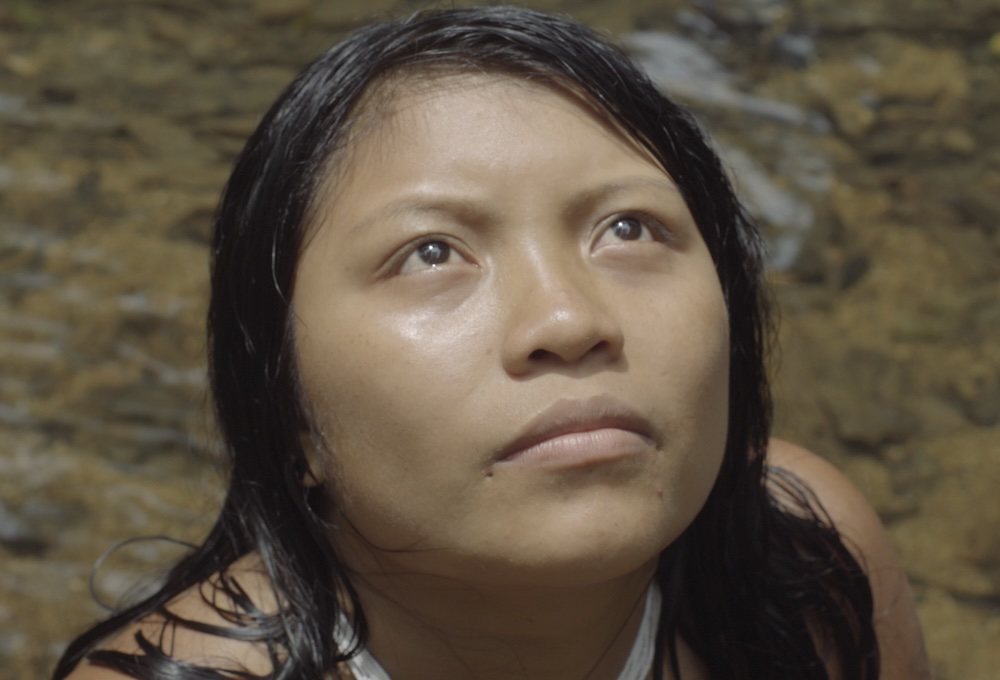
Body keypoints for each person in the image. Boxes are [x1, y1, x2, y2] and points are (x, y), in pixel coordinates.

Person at [53, 6, 929, 679]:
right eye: (431, 252)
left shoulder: (808, 565)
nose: (568, 320)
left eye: (627, 229)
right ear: (287, 411)